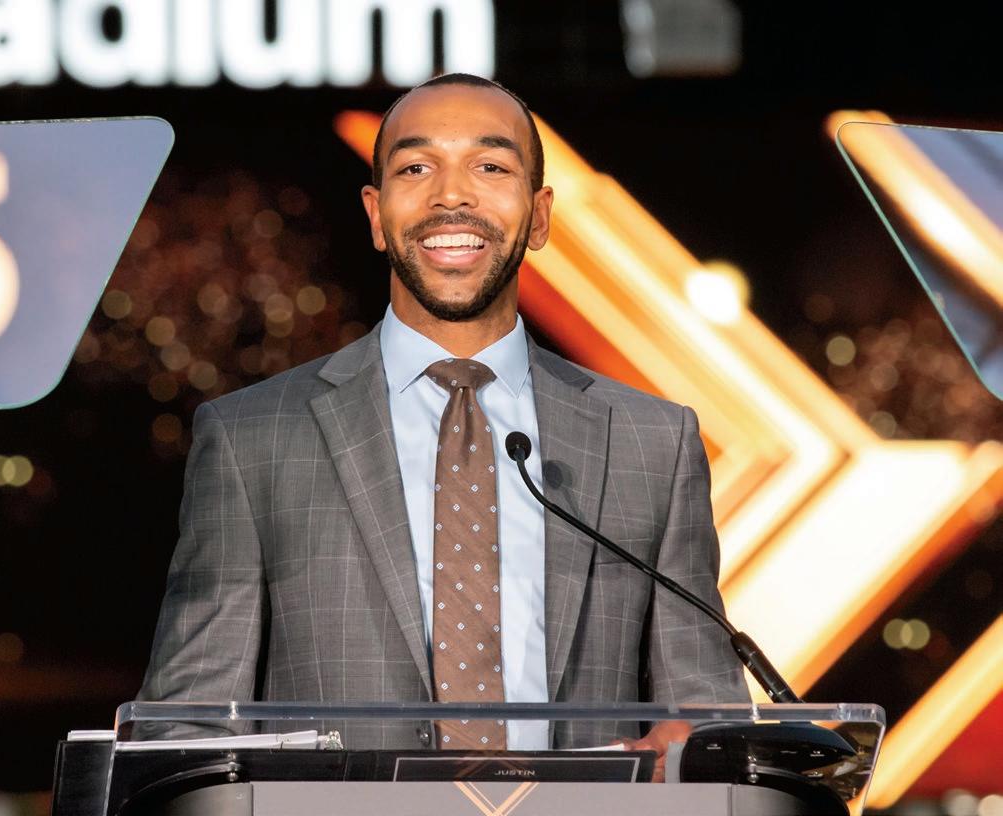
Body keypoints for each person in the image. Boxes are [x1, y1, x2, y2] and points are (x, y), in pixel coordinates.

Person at [139, 73, 748, 776]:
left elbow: (704, 714)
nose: (451, 195)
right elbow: (187, 731)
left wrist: (694, 749)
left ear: (539, 215)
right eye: (415, 168)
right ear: (375, 215)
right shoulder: (252, 440)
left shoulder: (652, 443)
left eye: (490, 167)